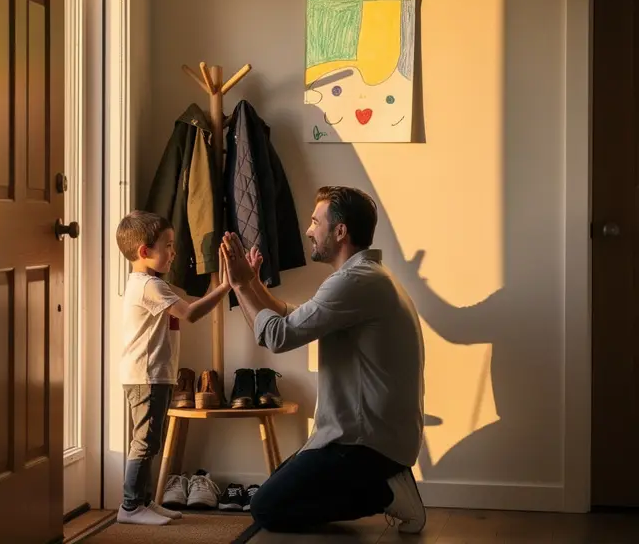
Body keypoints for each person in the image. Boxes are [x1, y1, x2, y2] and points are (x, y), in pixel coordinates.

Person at [218, 186, 427, 534]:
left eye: (316, 222)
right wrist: (252, 285)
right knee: (278, 493)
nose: (308, 230)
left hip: (365, 446)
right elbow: (296, 318)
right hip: (369, 441)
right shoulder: (366, 278)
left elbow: (278, 335)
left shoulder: (354, 281)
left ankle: (385, 491)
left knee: (266, 508)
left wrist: (240, 286)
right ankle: (381, 484)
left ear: (340, 231)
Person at [116, 210, 231, 525]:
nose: (173, 251)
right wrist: (225, 287)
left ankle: (143, 501)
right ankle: (129, 507)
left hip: (155, 375)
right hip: (147, 376)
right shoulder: (148, 286)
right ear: (144, 252)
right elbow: (190, 313)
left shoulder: (149, 283)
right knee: (145, 441)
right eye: (167, 245)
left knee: (151, 439)